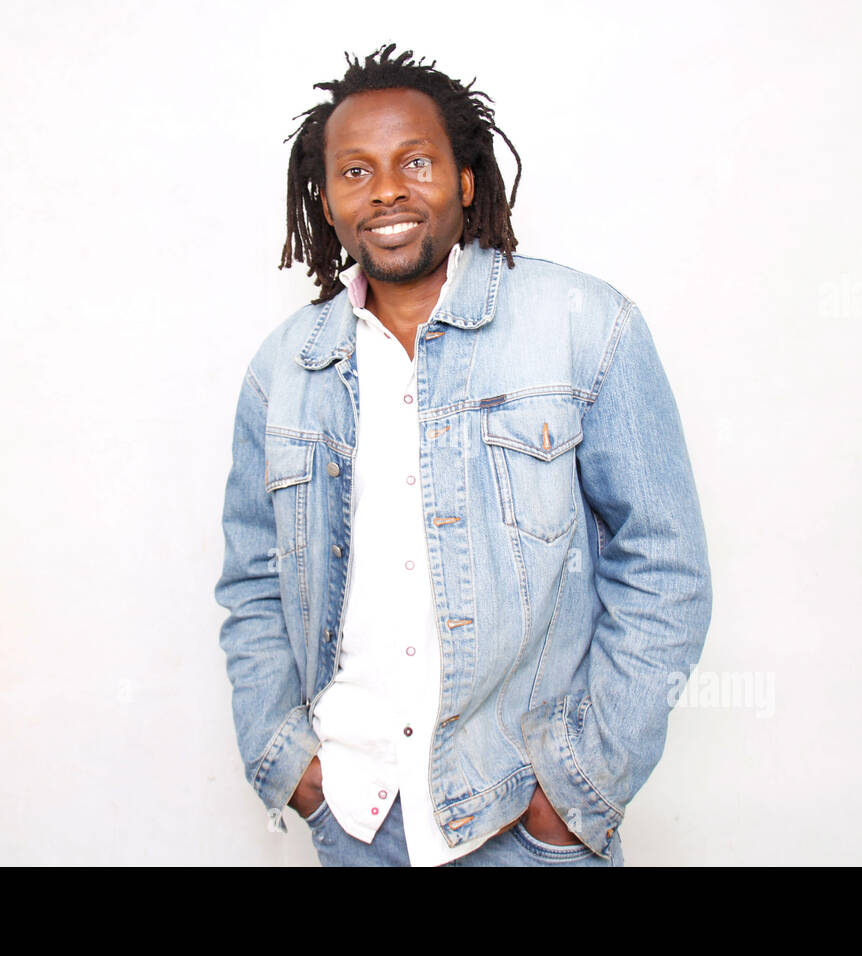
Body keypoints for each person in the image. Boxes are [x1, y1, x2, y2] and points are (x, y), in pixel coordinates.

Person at [214, 43, 712, 867]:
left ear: (466, 179)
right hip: (358, 817)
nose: (386, 191)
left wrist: (579, 787)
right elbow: (253, 583)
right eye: (355, 171)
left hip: (526, 820)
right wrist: (293, 768)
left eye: (415, 161)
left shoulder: (586, 327)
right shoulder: (283, 372)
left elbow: (666, 568)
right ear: (326, 198)